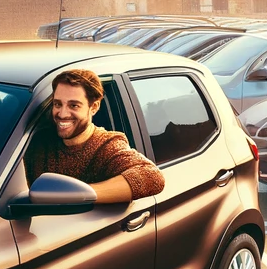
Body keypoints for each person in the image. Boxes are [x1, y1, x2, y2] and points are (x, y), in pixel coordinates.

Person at [24, 69, 165, 204]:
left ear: (94, 107)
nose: (62, 114)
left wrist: (76, 195)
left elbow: (152, 177)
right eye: (57, 104)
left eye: (74, 105)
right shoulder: (37, 141)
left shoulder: (107, 145)